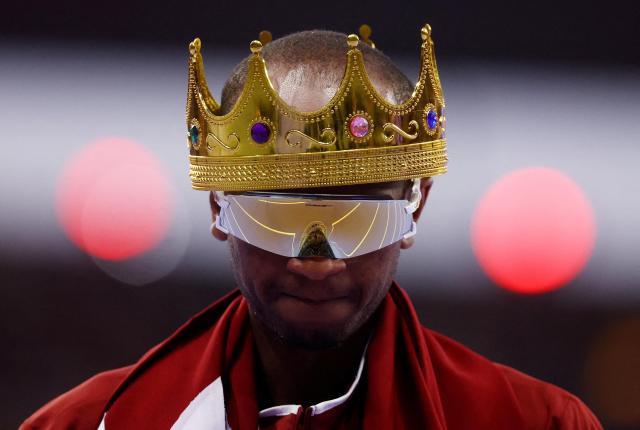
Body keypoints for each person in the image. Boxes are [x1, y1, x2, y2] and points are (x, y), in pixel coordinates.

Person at [22, 25, 603, 429]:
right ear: (218, 207)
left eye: (358, 217)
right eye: (277, 215)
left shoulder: (536, 422)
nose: (316, 260)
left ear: (415, 206)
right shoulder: (88, 423)